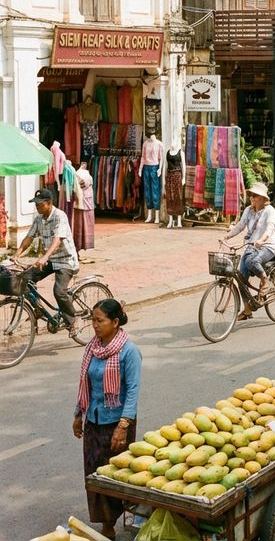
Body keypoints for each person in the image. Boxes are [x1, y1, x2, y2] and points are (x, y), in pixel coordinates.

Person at [73, 299, 141, 540]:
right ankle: (107, 525)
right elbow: (85, 384)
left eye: (99, 320)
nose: (95, 325)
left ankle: (126, 518)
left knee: (117, 476)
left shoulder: (129, 352)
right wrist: (78, 414)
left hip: (117, 423)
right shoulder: (92, 348)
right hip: (94, 421)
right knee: (95, 475)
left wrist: (123, 426)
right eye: (92, 320)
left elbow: (133, 391)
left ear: (114, 322)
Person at [12, 188, 79, 337]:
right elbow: (29, 237)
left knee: (59, 292)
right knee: (23, 278)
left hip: (66, 260)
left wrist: (44, 257)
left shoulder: (60, 216)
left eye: (39, 204)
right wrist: (16, 254)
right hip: (50, 259)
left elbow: (57, 240)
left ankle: (72, 320)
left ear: (48, 203)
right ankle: (38, 309)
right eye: (35, 204)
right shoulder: (39, 219)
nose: (36, 207)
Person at [223, 182, 275, 320]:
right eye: (251, 195)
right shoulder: (248, 210)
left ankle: (265, 280)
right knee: (241, 277)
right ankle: (247, 310)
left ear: (263, 198)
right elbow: (240, 225)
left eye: (256, 196)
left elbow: (270, 228)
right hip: (251, 247)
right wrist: (227, 236)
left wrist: (262, 240)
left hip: (267, 246)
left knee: (252, 261)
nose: (252, 198)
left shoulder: (269, 210)